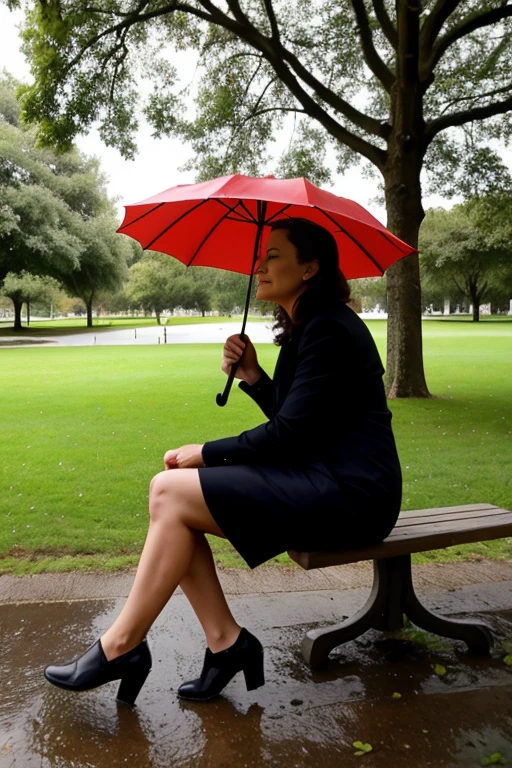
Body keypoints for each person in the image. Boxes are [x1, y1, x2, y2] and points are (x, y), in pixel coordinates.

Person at [44, 217, 402, 704]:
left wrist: (207, 453)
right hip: (325, 480)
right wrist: (254, 376)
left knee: (170, 490)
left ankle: (123, 647)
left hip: (353, 496)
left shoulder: (329, 330)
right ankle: (224, 643)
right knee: (172, 500)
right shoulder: (310, 328)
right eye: (263, 256)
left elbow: (291, 434)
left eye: (274, 255)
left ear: (310, 268)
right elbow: (299, 420)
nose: (260, 266)